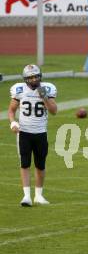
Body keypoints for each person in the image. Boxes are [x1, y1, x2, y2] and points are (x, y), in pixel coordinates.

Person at [8, 64, 57, 207]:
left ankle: (39, 196)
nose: (34, 79)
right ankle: (26, 196)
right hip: (24, 132)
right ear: (26, 79)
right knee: (25, 163)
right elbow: (11, 111)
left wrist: (45, 98)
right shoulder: (19, 90)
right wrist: (13, 123)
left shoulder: (47, 88)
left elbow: (54, 111)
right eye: (31, 77)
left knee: (40, 165)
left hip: (41, 132)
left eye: (36, 76)